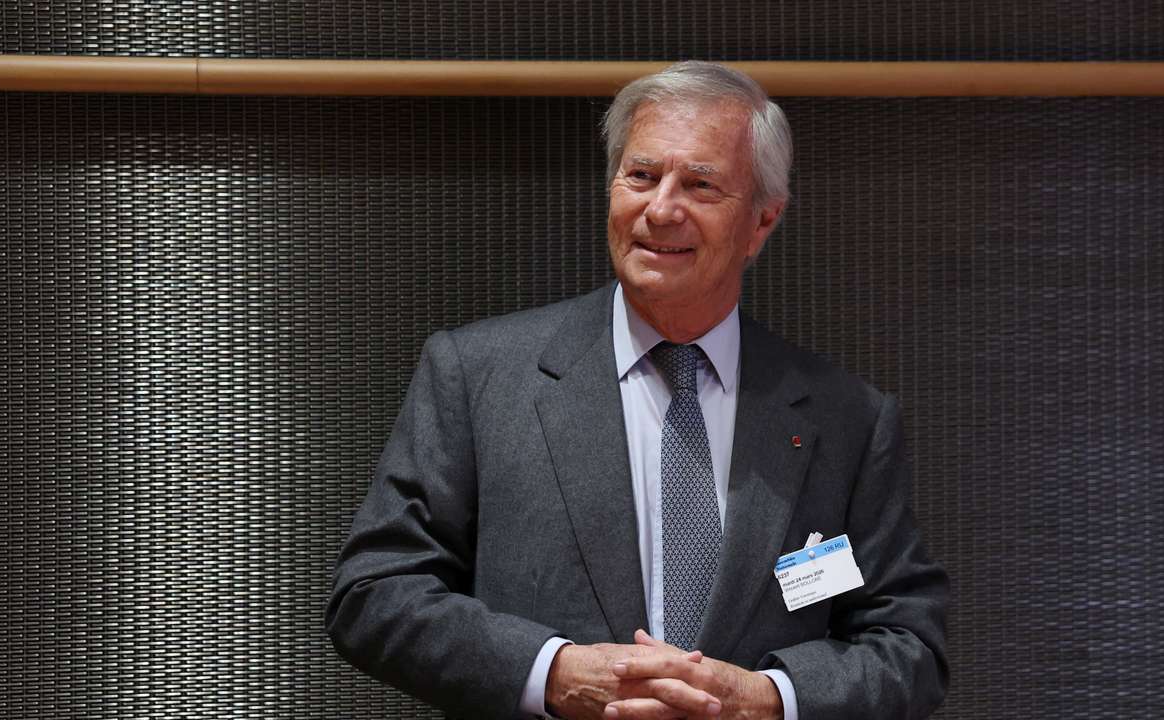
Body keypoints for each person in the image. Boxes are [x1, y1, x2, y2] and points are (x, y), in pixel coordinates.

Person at [325, 60, 949, 720]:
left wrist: (768, 700)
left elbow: (908, 646)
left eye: (700, 185)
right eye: (642, 176)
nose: (661, 208)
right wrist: (552, 673)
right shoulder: (479, 376)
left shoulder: (845, 418)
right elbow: (373, 594)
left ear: (763, 221)